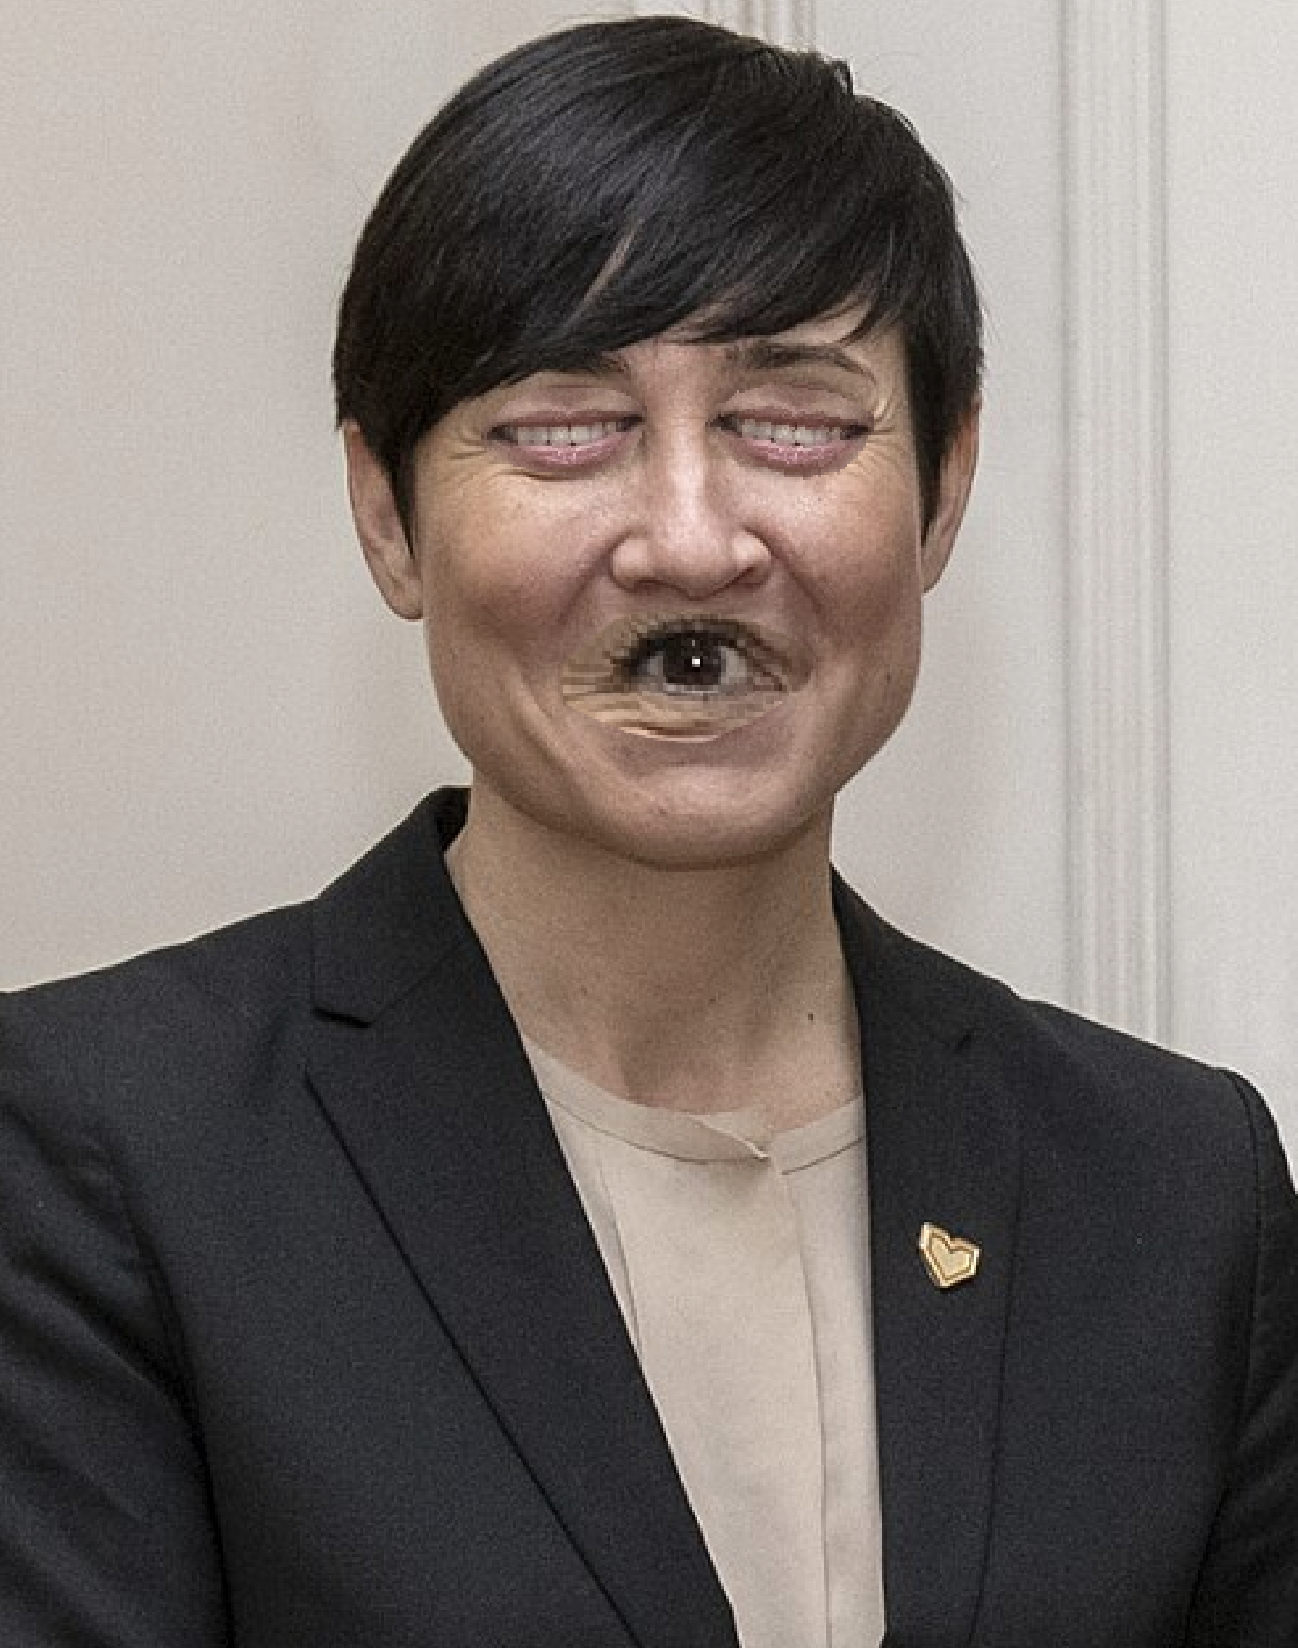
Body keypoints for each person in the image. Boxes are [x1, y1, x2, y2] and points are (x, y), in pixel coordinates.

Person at [1, 15, 1295, 1647]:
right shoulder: (95, 1151)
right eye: (564, 427)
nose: (689, 542)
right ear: (386, 515)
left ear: (942, 488)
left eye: (792, 421)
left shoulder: (1174, 1191)